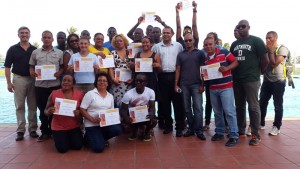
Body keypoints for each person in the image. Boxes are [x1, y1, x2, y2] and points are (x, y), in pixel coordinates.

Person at [230, 20, 269, 146]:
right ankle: (241, 130)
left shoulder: (256, 41)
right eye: (238, 27)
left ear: (248, 27)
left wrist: (259, 72)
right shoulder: (234, 44)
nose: (241, 28)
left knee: (253, 106)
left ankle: (255, 134)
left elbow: (265, 60)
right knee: (239, 106)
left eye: (243, 26)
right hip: (237, 79)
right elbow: (231, 61)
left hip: (251, 79)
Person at [203, 37, 239, 147]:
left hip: (226, 87)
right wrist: (204, 75)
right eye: (206, 45)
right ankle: (219, 132)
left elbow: (236, 62)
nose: (208, 47)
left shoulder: (224, 52)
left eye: (210, 44)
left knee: (229, 111)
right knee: (217, 112)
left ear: (215, 44)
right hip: (213, 88)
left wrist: (227, 68)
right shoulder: (205, 58)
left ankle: (234, 135)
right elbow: (206, 75)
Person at [4, 26, 38, 141]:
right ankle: (20, 130)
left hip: (32, 79)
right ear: (18, 35)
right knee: (19, 106)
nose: (24, 35)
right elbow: (7, 66)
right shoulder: (12, 49)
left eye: (26, 33)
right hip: (19, 79)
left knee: (32, 105)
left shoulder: (34, 49)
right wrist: (9, 82)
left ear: (29, 34)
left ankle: (33, 129)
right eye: (22, 33)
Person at [29, 30, 64, 142]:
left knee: (55, 109)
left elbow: (63, 67)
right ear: (42, 39)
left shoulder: (59, 53)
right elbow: (31, 66)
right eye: (45, 37)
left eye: (49, 37)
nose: (47, 39)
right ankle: (44, 132)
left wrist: (60, 72)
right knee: (42, 109)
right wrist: (31, 72)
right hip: (40, 86)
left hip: (55, 86)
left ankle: (54, 130)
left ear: (52, 39)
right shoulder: (35, 52)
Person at [152, 26, 185, 136]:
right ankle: (168, 126)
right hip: (162, 77)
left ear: (172, 34)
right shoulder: (156, 47)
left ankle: (179, 127)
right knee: (165, 103)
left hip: (175, 77)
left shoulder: (178, 46)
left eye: (168, 33)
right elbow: (151, 60)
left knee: (178, 103)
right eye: (164, 33)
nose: (165, 34)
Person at [174, 33, 206, 140]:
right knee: (187, 109)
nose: (188, 42)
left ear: (193, 41)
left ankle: (199, 130)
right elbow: (178, 70)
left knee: (198, 108)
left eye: (190, 40)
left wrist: (203, 84)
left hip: (197, 84)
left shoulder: (200, 53)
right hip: (184, 85)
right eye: (186, 41)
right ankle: (191, 129)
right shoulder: (180, 55)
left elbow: (203, 70)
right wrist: (176, 84)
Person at [80, 73, 122, 153]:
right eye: (99, 80)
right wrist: (93, 120)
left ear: (107, 83)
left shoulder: (110, 96)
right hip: (92, 124)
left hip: (104, 124)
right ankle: (88, 137)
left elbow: (111, 111)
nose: (102, 82)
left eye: (104, 81)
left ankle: (100, 138)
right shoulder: (90, 94)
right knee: (98, 148)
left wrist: (115, 118)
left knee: (117, 130)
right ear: (96, 82)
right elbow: (82, 109)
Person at [44, 75, 84, 153]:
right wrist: (48, 112)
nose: (66, 82)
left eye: (69, 81)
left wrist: (79, 113)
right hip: (58, 126)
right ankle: (62, 138)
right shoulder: (54, 94)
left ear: (73, 84)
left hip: (74, 126)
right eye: (64, 80)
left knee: (78, 146)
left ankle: (67, 138)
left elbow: (83, 111)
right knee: (62, 149)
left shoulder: (79, 94)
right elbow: (45, 110)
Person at [260, 31, 289, 136]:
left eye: (270, 38)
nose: (267, 40)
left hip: (278, 81)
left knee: (277, 105)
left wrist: (271, 51)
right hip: (267, 81)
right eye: (266, 38)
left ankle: (276, 126)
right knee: (261, 103)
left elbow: (273, 64)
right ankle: (261, 123)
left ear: (276, 38)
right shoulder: (265, 49)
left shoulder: (282, 49)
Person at [120, 74, 157, 141]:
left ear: (146, 82)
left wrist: (151, 113)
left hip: (145, 115)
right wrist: (126, 118)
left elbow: (152, 107)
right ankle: (134, 131)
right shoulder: (128, 94)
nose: (138, 83)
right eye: (137, 80)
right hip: (133, 116)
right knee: (126, 125)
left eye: (141, 81)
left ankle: (146, 131)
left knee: (154, 120)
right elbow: (123, 110)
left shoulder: (151, 92)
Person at [108, 34, 134, 108]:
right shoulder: (112, 53)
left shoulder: (130, 52)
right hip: (117, 82)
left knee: (128, 104)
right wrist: (113, 79)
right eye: (116, 42)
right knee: (117, 104)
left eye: (120, 41)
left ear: (124, 41)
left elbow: (135, 67)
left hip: (128, 82)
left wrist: (133, 79)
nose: (119, 43)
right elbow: (110, 68)